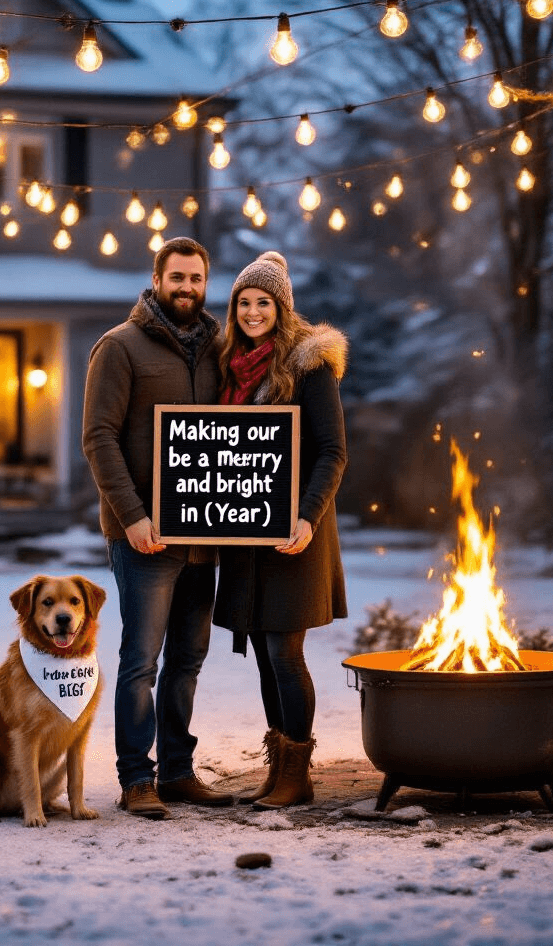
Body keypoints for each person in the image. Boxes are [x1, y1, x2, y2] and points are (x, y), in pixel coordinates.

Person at [82, 236, 234, 819]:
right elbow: (98, 439)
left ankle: (176, 772)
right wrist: (134, 518)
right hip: (144, 536)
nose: (187, 288)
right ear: (158, 279)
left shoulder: (222, 350)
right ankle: (135, 778)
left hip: (206, 535)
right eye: (178, 278)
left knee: (188, 658)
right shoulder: (119, 348)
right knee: (141, 660)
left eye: (196, 278)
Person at [213, 250, 348, 810]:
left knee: (284, 653)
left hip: (295, 533)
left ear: (281, 307)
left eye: (262, 302)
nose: (251, 312)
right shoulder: (233, 369)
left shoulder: (309, 367)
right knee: (267, 656)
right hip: (248, 537)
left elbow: (333, 452)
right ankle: (279, 768)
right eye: (243, 302)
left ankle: (299, 774)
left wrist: (307, 516)